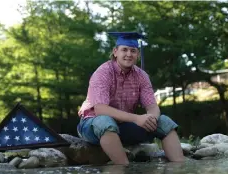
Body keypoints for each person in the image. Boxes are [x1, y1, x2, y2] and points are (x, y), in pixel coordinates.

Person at [77, 32, 185, 165]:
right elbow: (100, 110)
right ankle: (124, 169)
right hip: (93, 125)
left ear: (138, 55)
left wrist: (151, 119)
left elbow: (152, 107)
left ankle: (180, 167)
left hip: (123, 126)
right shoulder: (103, 73)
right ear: (115, 52)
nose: (129, 54)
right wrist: (137, 118)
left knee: (164, 121)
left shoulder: (142, 76)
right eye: (124, 50)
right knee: (104, 121)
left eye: (133, 51)